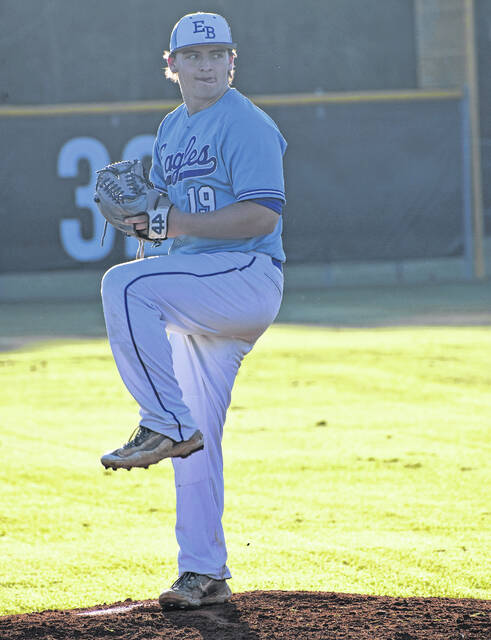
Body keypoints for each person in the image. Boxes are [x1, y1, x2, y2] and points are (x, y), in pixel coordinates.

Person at [100, 11, 287, 609]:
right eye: (194, 56)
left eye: (218, 55)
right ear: (172, 65)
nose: (206, 65)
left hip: (246, 277)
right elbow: (168, 222)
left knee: (124, 287)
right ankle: (203, 571)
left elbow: (261, 217)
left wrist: (172, 225)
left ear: (233, 61)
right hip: (201, 286)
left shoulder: (247, 124)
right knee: (197, 436)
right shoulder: (171, 129)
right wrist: (148, 226)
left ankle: (162, 421)